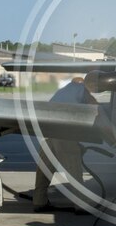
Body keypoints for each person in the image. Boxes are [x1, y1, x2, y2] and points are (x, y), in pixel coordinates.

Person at [33, 76, 97, 212]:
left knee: (44, 169)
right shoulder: (82, 90)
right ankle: (81, 204)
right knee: (73, 169)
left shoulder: (61, 91)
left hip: (49, 133)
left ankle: (39, 201)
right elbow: (95, 108)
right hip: (64, 133)